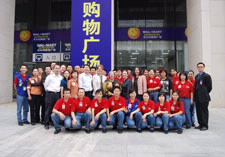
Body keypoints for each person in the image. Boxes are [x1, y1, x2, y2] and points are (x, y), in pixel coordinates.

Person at [44, 64, 63, 130]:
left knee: (56, 109)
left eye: (58, 68)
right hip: (50, 94)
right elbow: (46, 86)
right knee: (48, 108)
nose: (57, 69)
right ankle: (46, 123)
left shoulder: (61, 77)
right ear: (53, 69)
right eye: (56, 68)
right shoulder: (49, 77)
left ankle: (53, 122)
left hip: (57, 94)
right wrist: (49, 91)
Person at [194, 62, 212, 131]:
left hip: (204, 97)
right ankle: (200, 124)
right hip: (197, 97)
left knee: (204, 111)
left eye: (201, 67)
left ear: (204, 67)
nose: (200, 68)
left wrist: (204, 93)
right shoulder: (197, 76)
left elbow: (209, 87)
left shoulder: (207, 76)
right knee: (198, 111)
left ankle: (205, 125)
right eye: (198, 67)